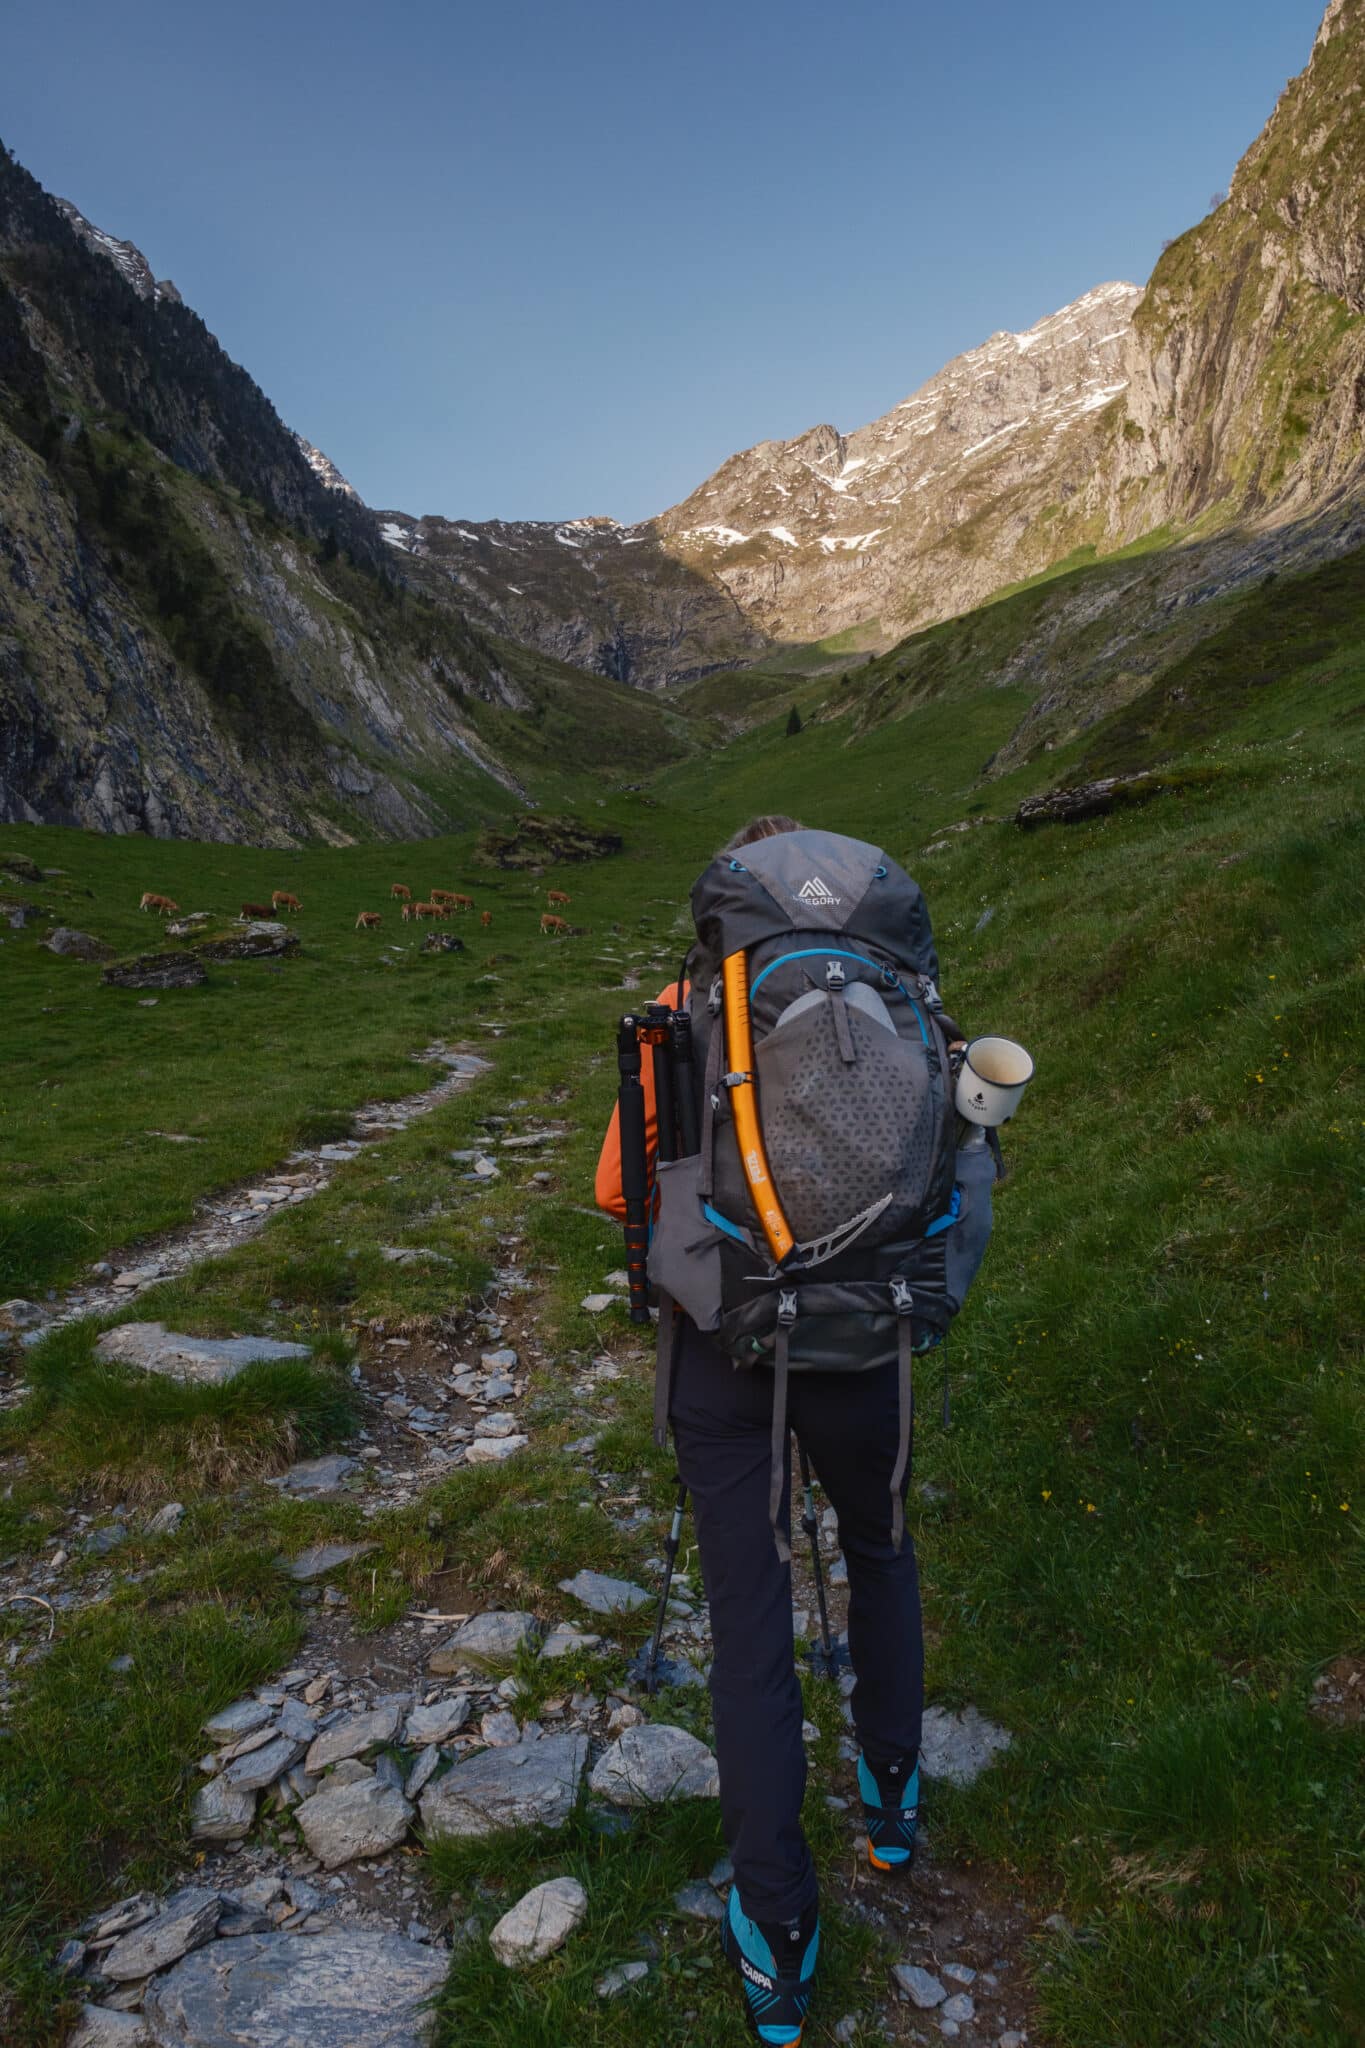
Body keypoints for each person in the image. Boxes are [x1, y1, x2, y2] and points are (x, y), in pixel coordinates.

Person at [597, 815, 959, 2046]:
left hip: (731, 1347)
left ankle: (778, 1931)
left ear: (728, 908)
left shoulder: (691, 1000)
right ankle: (894, 1803)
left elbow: (618, 1189)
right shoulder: (900, 990)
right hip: (874, 1338)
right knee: (882, 1551)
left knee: (749, 1623)